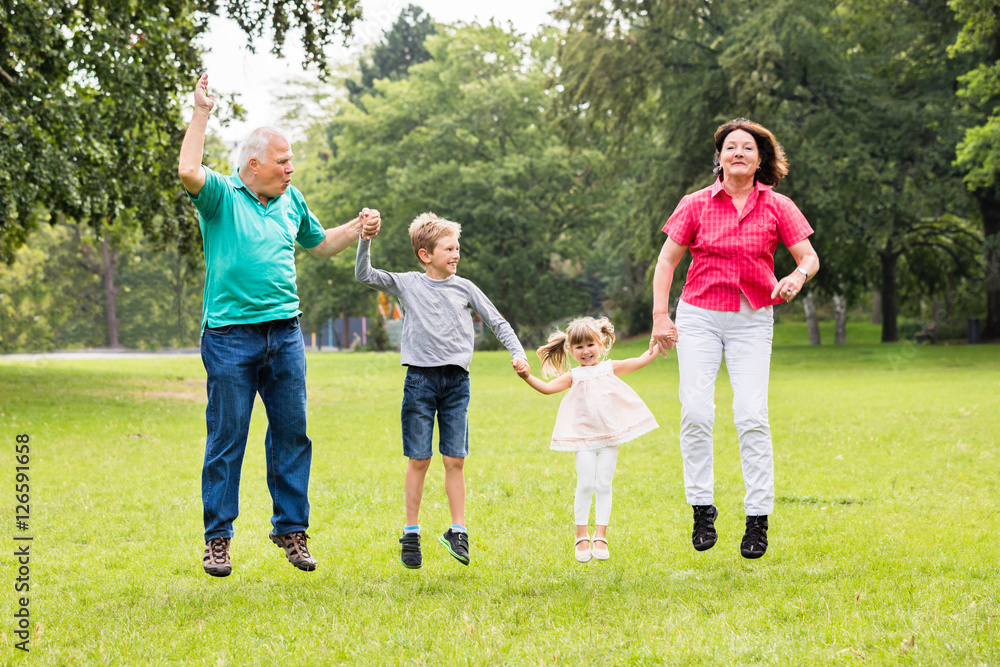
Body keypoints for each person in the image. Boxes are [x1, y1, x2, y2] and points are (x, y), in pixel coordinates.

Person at [178, 73, 382, 577]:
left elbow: (319, 244)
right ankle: (217, 539)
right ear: (254, 165)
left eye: (291, 159)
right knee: (227, 438)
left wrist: (357, 229)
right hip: (229, 338)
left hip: (285, 334)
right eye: (283, 160)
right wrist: (201, 111)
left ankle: (291, 529)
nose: (292, 167)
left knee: (293, 434)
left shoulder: (292, 200)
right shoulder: (221, 196)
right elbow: (187, 169)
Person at [650, 118, 820, 559]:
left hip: (752, 318)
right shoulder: (694, 204)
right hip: (699, 316)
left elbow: (809, 257)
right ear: (719, 157)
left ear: (760, 159)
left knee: (751, 415)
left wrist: (796, 276)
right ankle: (702, 509)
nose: (739, 152)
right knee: (695, 412)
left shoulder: (778, 205)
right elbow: (667, 262)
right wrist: (659, 316)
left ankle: (757, 520)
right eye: (731, 147)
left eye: (748, 147)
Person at [355, 212, 529, 569]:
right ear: (425, 254)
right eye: (449, 248)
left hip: (456, 383)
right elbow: (364, 274)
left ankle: (458, 530)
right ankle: (411, 532)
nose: (456, 254)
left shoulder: (465, 287)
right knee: (419, 458)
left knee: (456, 459)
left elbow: (497, 320)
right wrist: (365, 238)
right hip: (419, 381)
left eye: (457, 248)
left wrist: (517, 353)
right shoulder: (407, 284)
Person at [516, 317, 661, 562]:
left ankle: (601, 535)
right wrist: (526, 376)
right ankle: (581, 536)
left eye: (590, 345)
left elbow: (639, 361)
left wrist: (659, 345)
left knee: (604, 484)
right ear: (571, 350)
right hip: (583, 439)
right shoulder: (573, 376)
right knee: (585, 484)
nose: (586, 351)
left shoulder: (609, 368)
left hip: (608, 437)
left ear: (601, 343)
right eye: (579, 347)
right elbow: (547, 388)